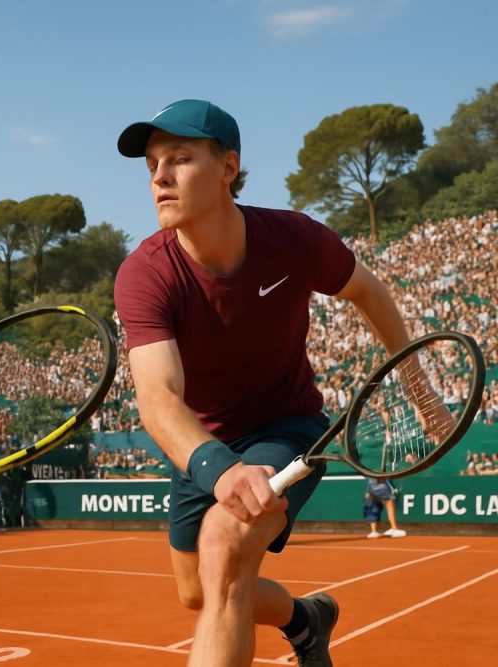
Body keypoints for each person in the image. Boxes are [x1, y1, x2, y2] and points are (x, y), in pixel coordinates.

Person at [113, 99, 413, 667]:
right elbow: (157, 396)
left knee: (224, 549)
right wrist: (216, 465)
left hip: (288, 427)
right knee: (197, 593)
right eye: (151, 163)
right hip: (204, 443)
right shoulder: (144, 273)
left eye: (179, 158)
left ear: (228, 168)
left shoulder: (294, 239)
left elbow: (368, 291)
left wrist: (417, 387)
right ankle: (307, 620)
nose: (159, 176)